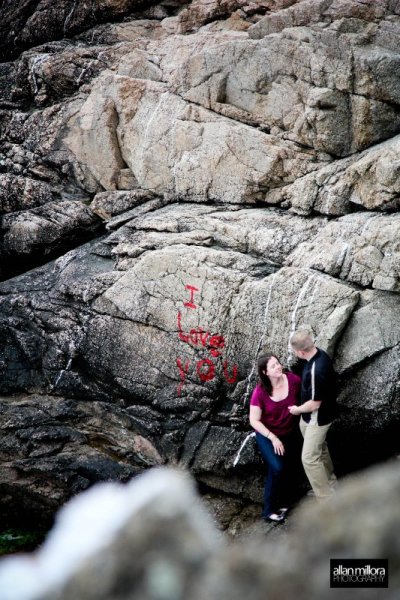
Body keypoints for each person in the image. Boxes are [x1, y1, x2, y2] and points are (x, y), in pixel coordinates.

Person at [249, 353, 301, 522]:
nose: (278, 367)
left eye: (278, 363)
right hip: (267, 434)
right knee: (277, 467)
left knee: (291, 466)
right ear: (265, 373)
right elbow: (254, 420)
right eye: (273, 366)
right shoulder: (260, 392)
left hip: (289, 432)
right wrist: (273, 438)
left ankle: (285, 502)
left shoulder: (293, 380)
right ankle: (268, 511)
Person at [288, 330, 337, 500]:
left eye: (295, 351)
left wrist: (297, 410)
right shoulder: (319, 354)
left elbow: (316, 403)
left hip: (318, 416)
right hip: (309, 418)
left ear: (300, 352)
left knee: (309, 458)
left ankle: (326, 500)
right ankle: (331, 483)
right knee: (320, 449)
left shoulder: (317, 369)